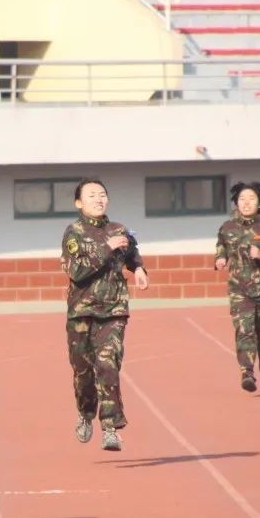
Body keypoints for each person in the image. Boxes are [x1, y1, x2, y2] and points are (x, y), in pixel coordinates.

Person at [60, 177, 149, 451]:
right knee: (83, 372)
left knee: (108, 364)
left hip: (113, 310)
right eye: (91, 195)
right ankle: (85, 413)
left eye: (102, 194)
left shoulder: (119, 229)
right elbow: (76, 271)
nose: (98, 199)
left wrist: (139, 269)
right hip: (81, 312)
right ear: (79, 203)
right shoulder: (74, 232)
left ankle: (110, 427)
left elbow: (132, 253)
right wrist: (106, 248)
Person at [214, 181, 260, 392]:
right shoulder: (227, 228)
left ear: (259, 203)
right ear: (236, 203)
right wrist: (220, 259)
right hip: (239, 288)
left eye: (251, 199)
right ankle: (247, 372)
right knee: (244, 330)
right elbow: (221, 246)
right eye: (242, 199)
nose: (246, 203)